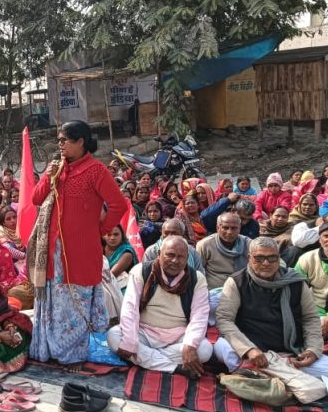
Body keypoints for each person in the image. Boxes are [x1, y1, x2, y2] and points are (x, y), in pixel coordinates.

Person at [29, 120, 126, 364]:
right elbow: (36, 199)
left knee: (74, 306)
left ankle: (71, 356)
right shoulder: (58, 169)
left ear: (81, 141)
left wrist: (96, 230)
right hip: (53, 253)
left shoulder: (96, 171)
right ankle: (48, 351)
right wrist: (47, 177)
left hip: (80, 253)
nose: (59, 145)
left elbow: (118, 205)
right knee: (51, 305)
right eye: (58, 140)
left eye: (64, 140)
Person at [215, 237, 328, 404]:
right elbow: (224, 319)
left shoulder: (296, 282)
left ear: (279, 258)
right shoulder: (237, 282)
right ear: (249, 258)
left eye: (272, 258)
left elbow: (310, 318)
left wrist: (312, 350)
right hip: (254, 352)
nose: (266, 263)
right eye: (259, 258)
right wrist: (249, 349)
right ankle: (280, 378)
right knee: (221, 346)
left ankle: (261, 377)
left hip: (289, 351)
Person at [108, 237, 212, 377]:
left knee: (205, 350)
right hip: (143, 332)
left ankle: (145, 359)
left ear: (187, 258)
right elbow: (130, 308)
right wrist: (130, 341)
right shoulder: (141, 271)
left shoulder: (197, 278)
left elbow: (199, 316)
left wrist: (190, 345)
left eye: (180, 257)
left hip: (178, 336)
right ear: (159, 254)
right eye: (170, 255)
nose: (175, 261)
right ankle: (175, 368)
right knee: (114, 336)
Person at [295, 221, 328, 335]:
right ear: (319, 239)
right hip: (314, 310)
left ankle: (321, 330)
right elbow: (296, 287)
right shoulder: (308, 258)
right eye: (326, 236)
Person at [196, 213, 251, 291]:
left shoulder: (248, 244)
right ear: (218, 228)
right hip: (215, 290)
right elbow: (198, 273)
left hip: (243, 288)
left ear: (239, 228)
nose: (229, 232)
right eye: (225, 228)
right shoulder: (205, 245)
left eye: (234, 228)